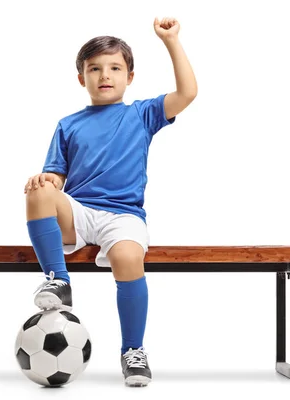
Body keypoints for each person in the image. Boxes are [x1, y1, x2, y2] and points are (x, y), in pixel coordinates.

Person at [24, 17, 197, 387]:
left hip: (123, 215)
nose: (105, 75)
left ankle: (133, 351)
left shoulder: (142, 114)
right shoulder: (68, 125)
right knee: (38, 191)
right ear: (81, 78)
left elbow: (187, 92)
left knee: (128, 257)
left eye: (115, 68)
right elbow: (57, 177)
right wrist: (47, 180)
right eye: (95, 69)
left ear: (129, 77)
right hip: (80, 212)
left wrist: (171, 41)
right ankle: (58, 280)